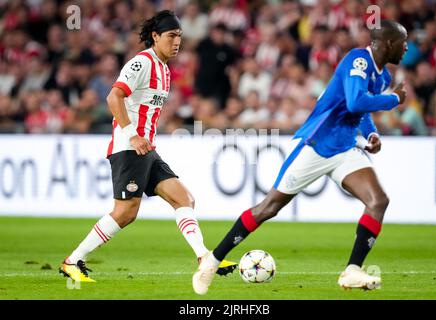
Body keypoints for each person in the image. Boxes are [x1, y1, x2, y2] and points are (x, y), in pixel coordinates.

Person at [193, 20, 408, 294]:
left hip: (345, 147)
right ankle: (212, 261)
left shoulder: (383, 76)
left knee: (378, 201)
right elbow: (355, 101)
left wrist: (370, 134)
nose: (407, 48)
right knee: (269, 207)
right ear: (389, 43)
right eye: (404, 42)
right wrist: (394, 101)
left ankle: (352, 270)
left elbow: (360, 112)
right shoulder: (359, 60)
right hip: (316, 143)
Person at [59, 10, 237, 283]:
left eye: (179, 36)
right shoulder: (142, 62)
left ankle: (204, 257)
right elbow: (113, 97)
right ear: (155, 36)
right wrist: (132, 135)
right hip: (130, 146)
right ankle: (72, 261)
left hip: (146, 148)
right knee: (126, 212)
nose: (177, 41)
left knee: (184, 198)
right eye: (171, 36)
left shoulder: (165, 70)